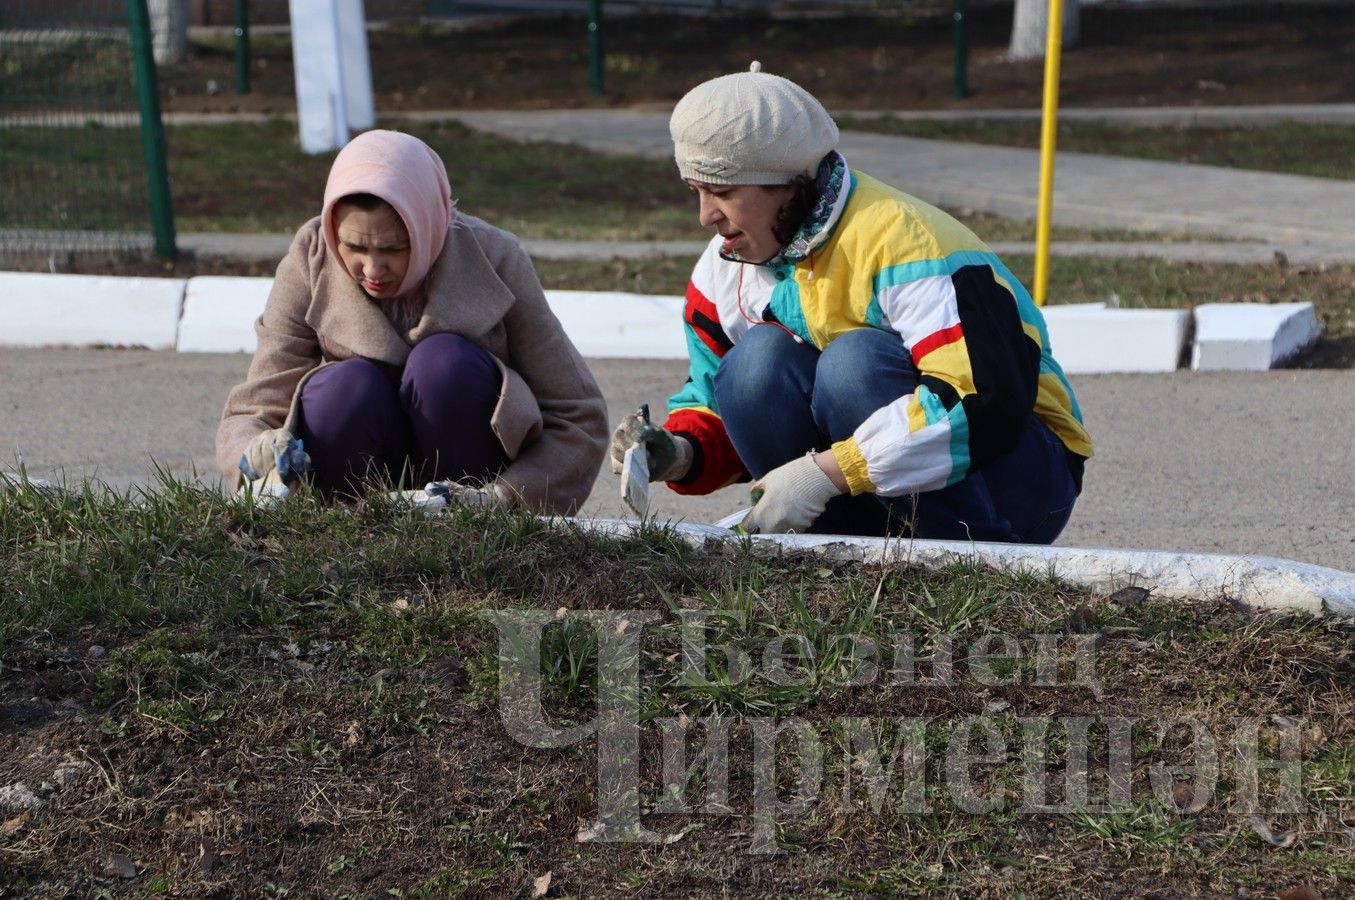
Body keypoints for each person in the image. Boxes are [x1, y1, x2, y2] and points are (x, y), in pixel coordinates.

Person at [611, 64, 1093, 541]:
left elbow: (981, 403)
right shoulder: (726, 263)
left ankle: (963, 555)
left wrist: (826, 473)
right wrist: (680, 452)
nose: (705, 216)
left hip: (1022, 481)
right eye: (696, 192)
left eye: (722, 192)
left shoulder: (906, 240)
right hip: (873, 494)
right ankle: (833, 551)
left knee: (851, 364)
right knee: (755, 363)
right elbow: (725, 401)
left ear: (789, 185)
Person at [217, 129, 607, 513]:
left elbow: (578, 416)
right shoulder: (312, 255)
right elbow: (255, 409)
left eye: (393, 248)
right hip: (352, 489)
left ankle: (465, 527)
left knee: (443, 364)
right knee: (342, 387)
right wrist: (260, 458)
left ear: (429, 225)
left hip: (475, 493)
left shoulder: (494, 257)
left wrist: (502, 499)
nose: (372, 269)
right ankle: (348, 533)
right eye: (353, 246)